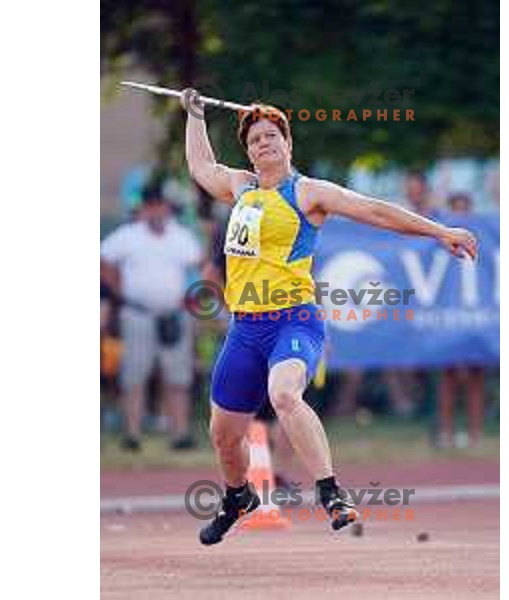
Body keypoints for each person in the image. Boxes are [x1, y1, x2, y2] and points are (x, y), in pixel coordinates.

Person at [181, 91, 477, 545]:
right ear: (248, 151)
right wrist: (195, 115)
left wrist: (440, 231)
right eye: (256, 139)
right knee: (223, 435)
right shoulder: (240, 187)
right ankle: (238, 497)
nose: (264, 143)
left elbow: (374, 210)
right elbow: (202, 168)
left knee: (284, 395)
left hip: (294, 320)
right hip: (245, 328)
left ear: (288, 143)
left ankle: (331, 492)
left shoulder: (306, 192)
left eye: (272, 135)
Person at [100, 183, 202, 451]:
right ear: (144, 208)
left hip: (173, 315)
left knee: (177, 377)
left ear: (167, 208)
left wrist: (189, 299)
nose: (156, 210)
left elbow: (201, 267)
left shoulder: (180, 236)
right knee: (134, 375)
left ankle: (179, 433)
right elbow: (103, 261)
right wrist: (119, 289)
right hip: (138, 313)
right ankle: (132, 434)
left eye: (160, 205)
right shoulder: (128, 235)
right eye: (151, 205)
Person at [437, 192, 485, 447]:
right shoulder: (439, 242)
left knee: (476, 374)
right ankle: (446, 433)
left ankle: (475, 434)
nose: (460, 215)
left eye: (464, 209)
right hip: (448, 317)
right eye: (455, 210)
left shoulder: (486, 238)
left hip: (478, 317)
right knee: (449, 374)